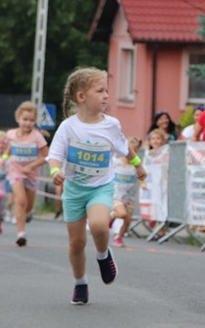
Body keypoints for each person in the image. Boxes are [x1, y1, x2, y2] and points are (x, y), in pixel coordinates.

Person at [48, 68, 146, 305]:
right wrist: (55, 171)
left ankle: (103, 255)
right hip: (74, 190)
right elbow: (55, 155)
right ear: (81, 96)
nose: (106, 96)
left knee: (100, 225)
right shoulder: (68, 127)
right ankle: (80, 282)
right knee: (77, 243)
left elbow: (125, 148)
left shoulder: (111, 125)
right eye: (100, 90)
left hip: (100, 187)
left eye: (107, 91)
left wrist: (138, 166)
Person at [6, 101, 48, 247]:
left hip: (32, 174)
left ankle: (26, 214)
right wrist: (3, 160)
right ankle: (21, 234)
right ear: (18, 118)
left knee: (28, 206)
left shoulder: (37, 137)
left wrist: (32, 165)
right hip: (15, 172)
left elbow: (46, 156)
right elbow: (8, 150)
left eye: (31, 120)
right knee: (21, 200)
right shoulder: (11, 134)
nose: (28, 123)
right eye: (25, 119)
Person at [111, 136, 142, 248]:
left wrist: (143, 183)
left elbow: (141, 176)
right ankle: (109, 216)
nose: (131, 153)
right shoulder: (116, 162)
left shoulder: (136, 165)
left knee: (127, 221)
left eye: (135, 151)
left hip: (129, 197)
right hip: (116, 196)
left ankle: (118, 237)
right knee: (122, 214)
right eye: (129, 150)